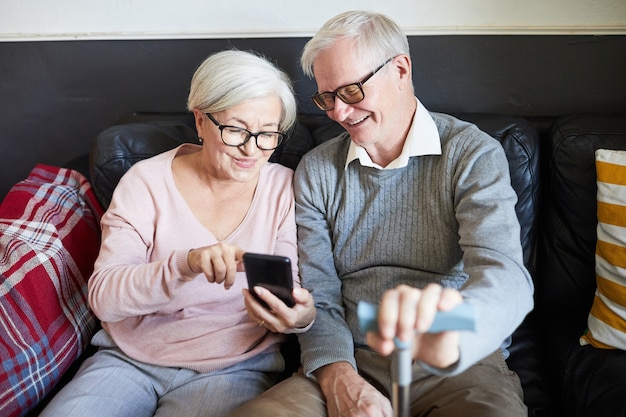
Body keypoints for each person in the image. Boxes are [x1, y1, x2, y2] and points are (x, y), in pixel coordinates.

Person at [227, 10, 534, 417]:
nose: (338, 113)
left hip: (457, 360)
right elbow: (321, 296)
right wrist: (339, 378)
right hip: (352, 357)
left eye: (352, 91)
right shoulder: (317, 170)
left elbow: (506, 275)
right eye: (326, 98)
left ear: (401, 69)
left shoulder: (471, 153)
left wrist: (454, 335)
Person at [40, 49, 316, 417]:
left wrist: (300, 317)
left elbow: (290, 287)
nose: (252, 149)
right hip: (129, 360)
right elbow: (104, 297)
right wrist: (185, 265)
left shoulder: (284, 188)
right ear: (201, 121)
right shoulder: (145, 182)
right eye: (235, 130)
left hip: (233, 368)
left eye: (267, 134)